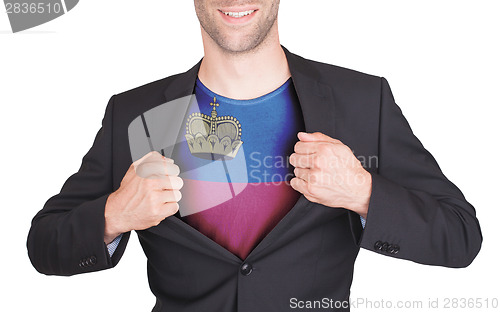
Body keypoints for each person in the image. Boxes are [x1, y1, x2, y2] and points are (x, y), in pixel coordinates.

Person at [27, 1, 482, 311]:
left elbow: (460, 236)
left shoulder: (362, 101)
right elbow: (44, 245)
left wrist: (363, 192)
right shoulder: (135, 113)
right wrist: (114, 214)